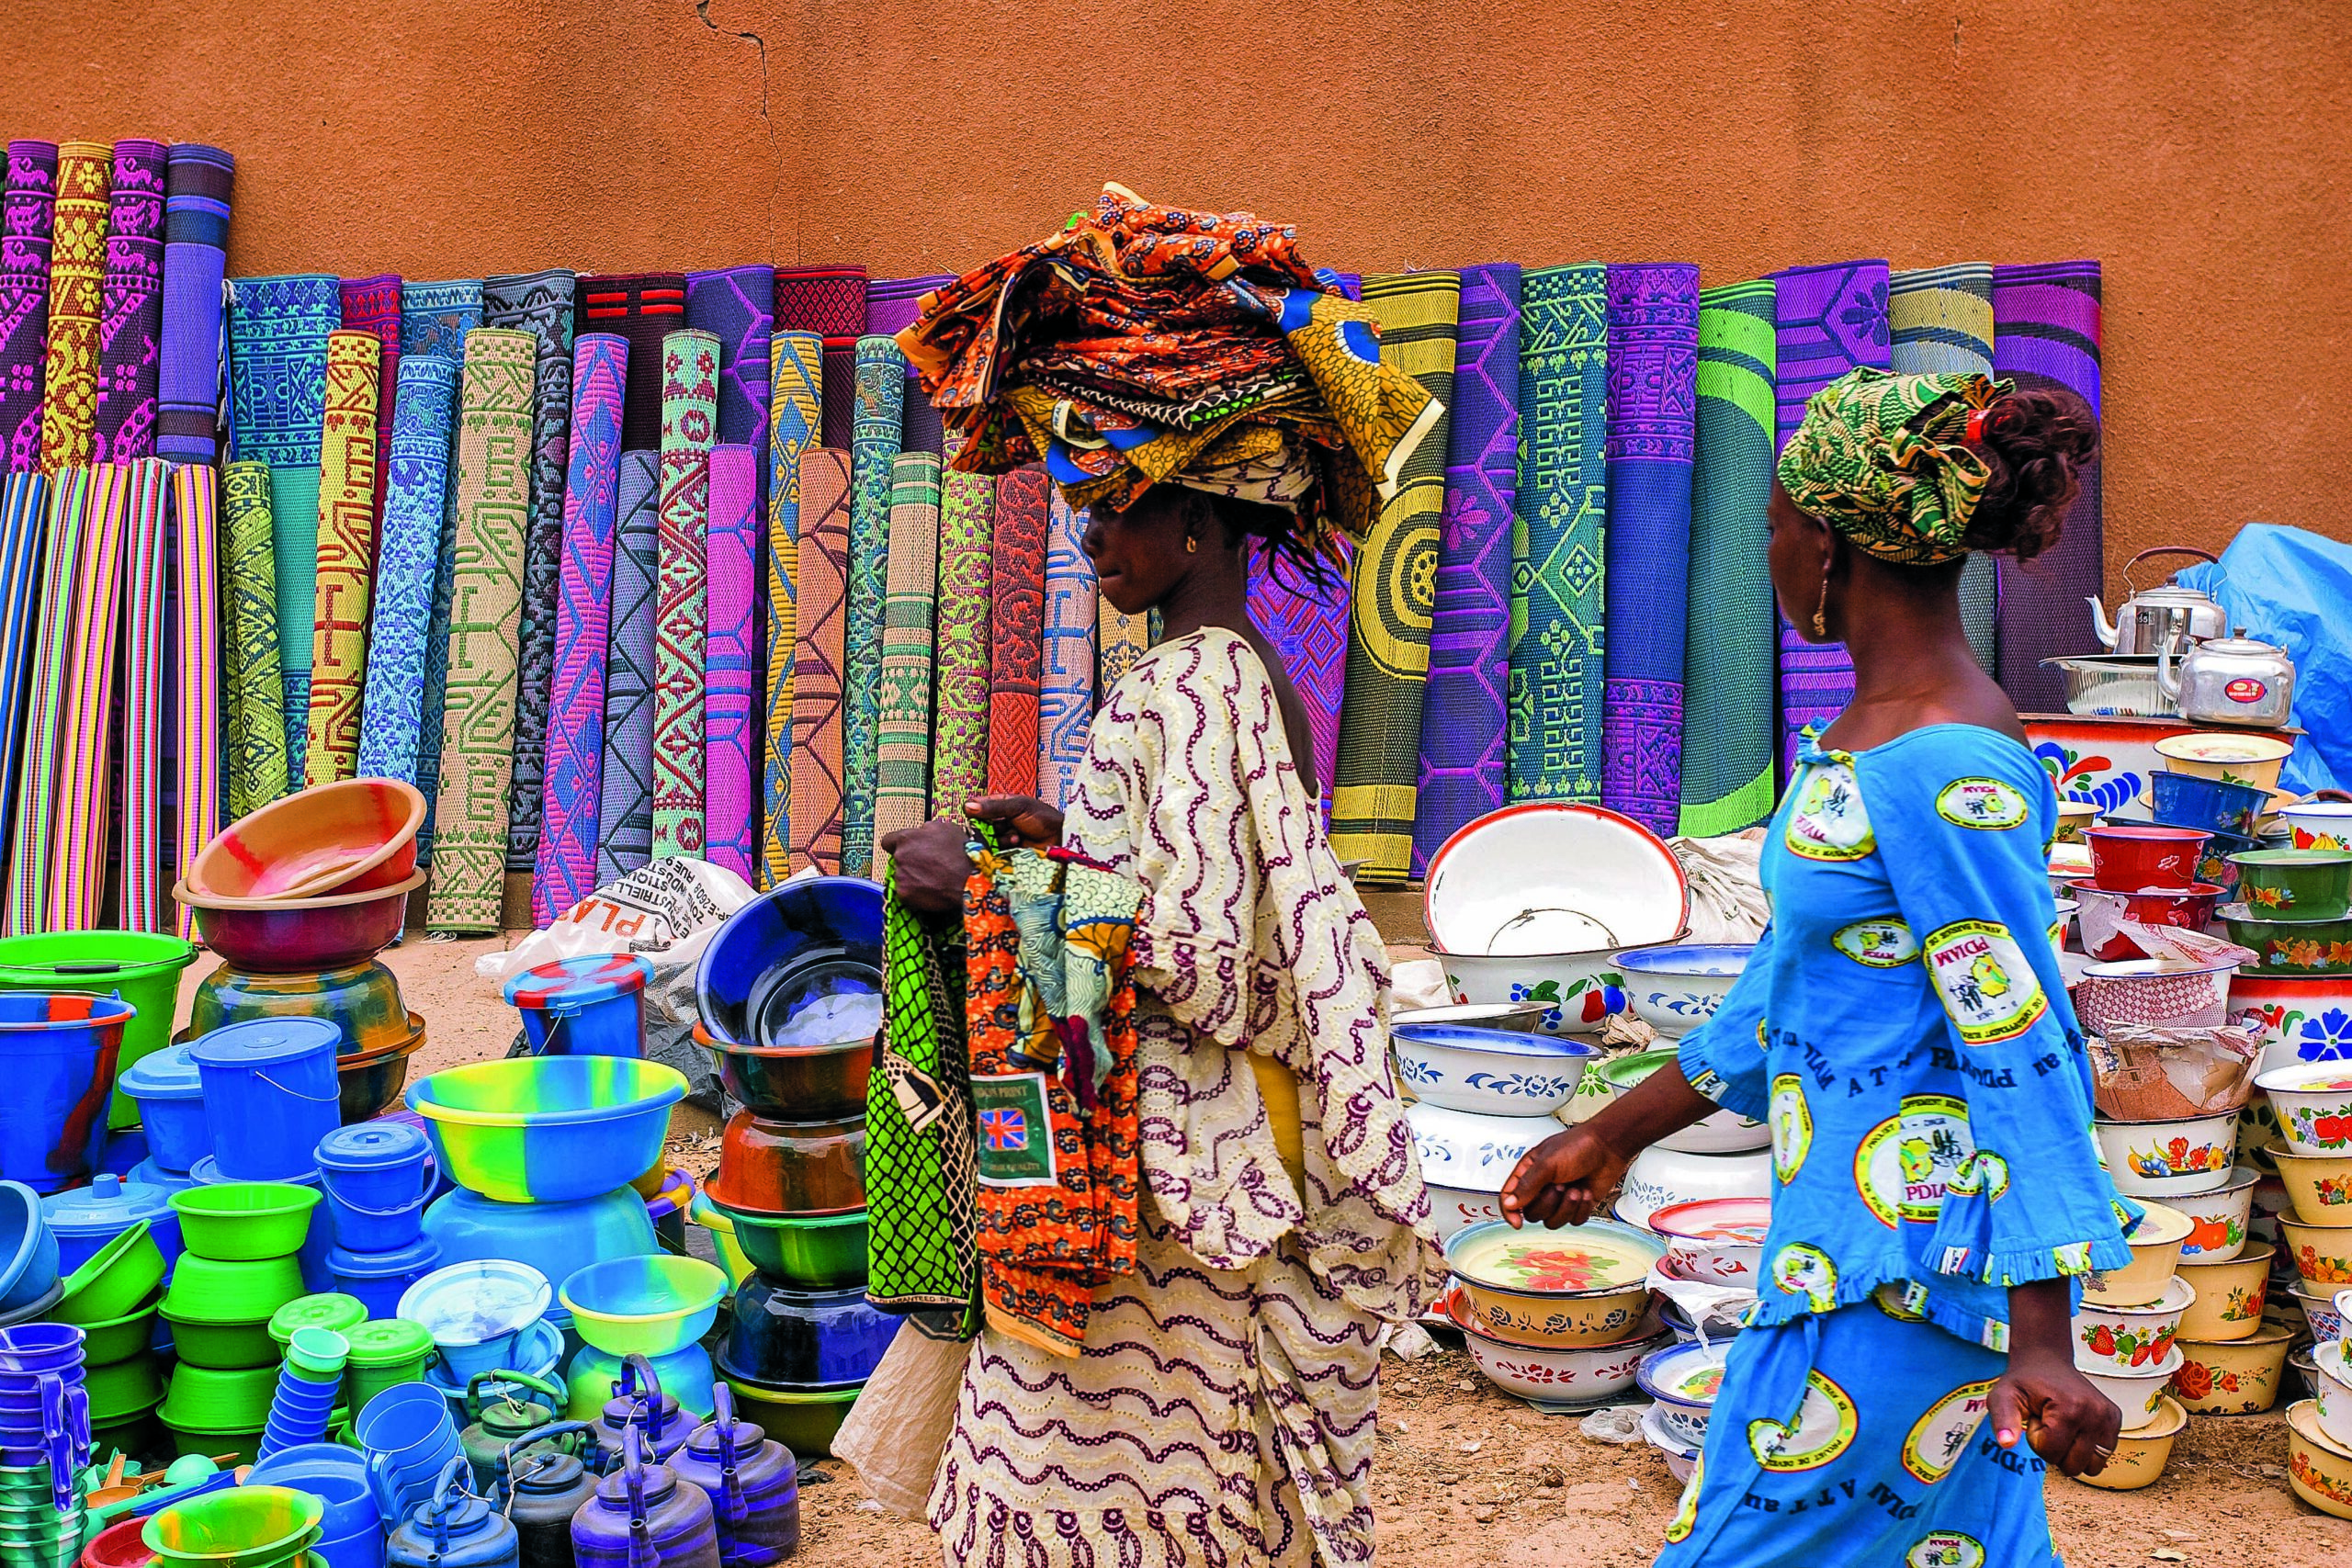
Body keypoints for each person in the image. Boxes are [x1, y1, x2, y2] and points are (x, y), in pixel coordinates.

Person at [1502, 367, 2120, 1567]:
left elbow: (2022, 1038)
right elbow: (1791, 987)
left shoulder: (1945, 761)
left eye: (1777, 525)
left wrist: (2043, 1330)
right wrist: (1619, 1127)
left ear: (1833, 543)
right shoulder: (1865, 737)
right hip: (1840, 1249)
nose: (1771, 550)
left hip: (1903, 1276)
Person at [887, 479, 1445, 1568]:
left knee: (1109, 1467)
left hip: (1187, 1151)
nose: (1089, 533)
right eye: (1083, 508)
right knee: (1209, 1469)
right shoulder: (1238, 664)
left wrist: (994, 890)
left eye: (1118, 507)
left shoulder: (1191, 680)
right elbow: (1207, 889)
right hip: (1221, 1135)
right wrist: (1064, 848)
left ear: (1198, 527)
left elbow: (1204, 968)